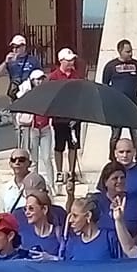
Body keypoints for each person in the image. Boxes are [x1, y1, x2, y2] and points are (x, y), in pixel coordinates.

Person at [102, 39, 137, 161]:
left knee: (136, 134)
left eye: (131, 51)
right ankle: (113, 159)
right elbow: (105, 84)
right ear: (120, 51)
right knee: (115, 135)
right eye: (127, 51)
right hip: (117, 107)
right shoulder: (111, 66)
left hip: (133, 105)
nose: (130, 54)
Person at [48, 48, 83, 184]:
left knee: (73, 145)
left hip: (74, 116)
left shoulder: (77, 76)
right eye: (68, 61)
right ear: (61, 61)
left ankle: (72, 172)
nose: (71, 63)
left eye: (72, 60)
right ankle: (59, 172)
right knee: (59, 146)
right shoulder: (54, 77)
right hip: (59, 117)